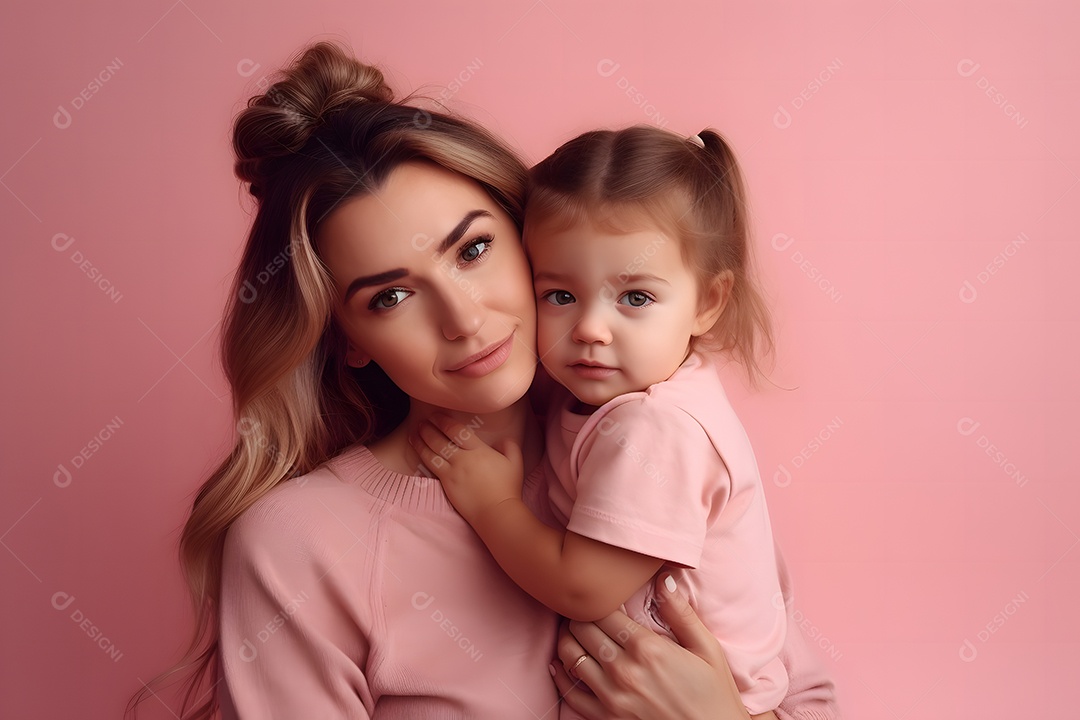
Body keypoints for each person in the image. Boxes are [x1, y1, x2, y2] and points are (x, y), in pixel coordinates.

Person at [127, 41, 838, 720]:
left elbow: (803, 697)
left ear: (527, 234)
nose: (464, 319)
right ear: (348, 340)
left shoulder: (645, 441)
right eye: (391, 297)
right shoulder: (299, 543)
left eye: (473, 249)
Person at [412, 125, 789, 716]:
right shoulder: (600, 396)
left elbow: (581, 587)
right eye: (559, 296)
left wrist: (492, 504)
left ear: (708, 303)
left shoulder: (659, 427)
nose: (589, 328)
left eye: (635, 298)